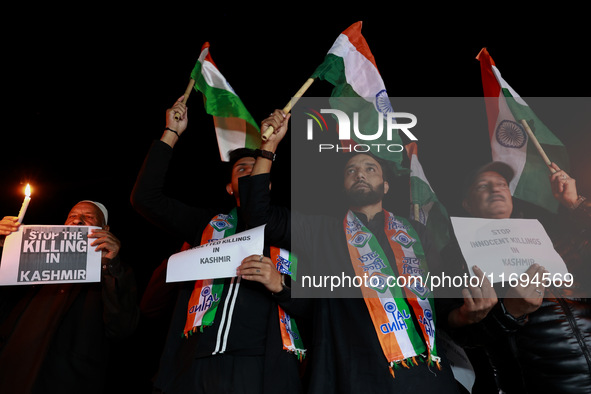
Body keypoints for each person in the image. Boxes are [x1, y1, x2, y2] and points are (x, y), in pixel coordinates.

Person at [240, 111, 460, 393]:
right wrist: (268, 147)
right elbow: (258, 215)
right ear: (343, 186)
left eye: (370, 169)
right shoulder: (320, 231)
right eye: (351, 171)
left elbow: (442, 300)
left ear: (386, 185)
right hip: (353, 375)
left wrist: (469, 314)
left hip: (426, 377)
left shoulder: (416, 233)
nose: (360, 174)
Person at [130, 97, 305, 394]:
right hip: (196, 361)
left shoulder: (290, 228)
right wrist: (170, 133)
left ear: (269, 182)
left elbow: (318, 304)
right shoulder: (206, 223)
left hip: (263, 365)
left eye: (257, 168)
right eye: (241, 171)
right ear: (229, 187)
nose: (250, 172)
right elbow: (145, 199)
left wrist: (281, 285)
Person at [440, 160, 591, 393]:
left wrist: (576, 204)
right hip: (541, 384)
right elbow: (458, 337)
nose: (495, 188)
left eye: (502, 184)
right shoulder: (456, 256)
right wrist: (509, 312)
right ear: (467, 204)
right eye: (482, 186)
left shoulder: (554, 239)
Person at [0, 200, 139, 393]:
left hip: (68, 381)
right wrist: (5, 248)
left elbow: (122, 328)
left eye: (88, 217)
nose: (78, 221)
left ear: (105, 229)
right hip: (13, 374)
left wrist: (110, 266)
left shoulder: (115, 272)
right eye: (72, 216)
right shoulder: (32, 260)